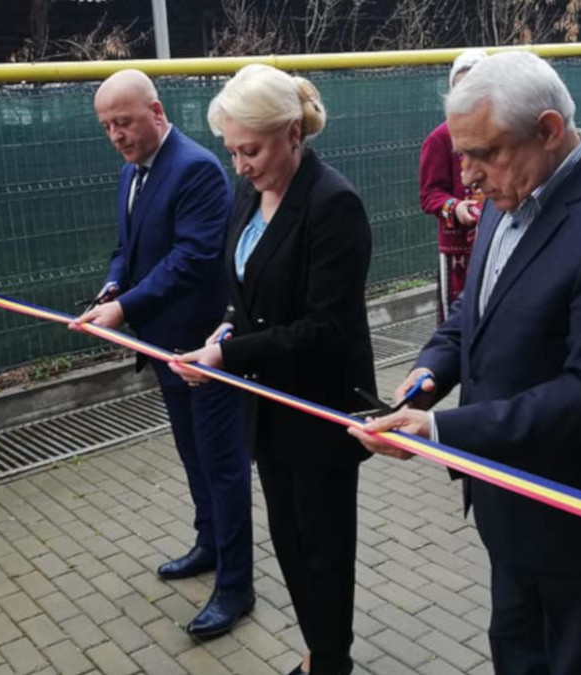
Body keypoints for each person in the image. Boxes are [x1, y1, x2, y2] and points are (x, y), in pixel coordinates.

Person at [350, 52, 581, 675]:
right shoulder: (512, 192)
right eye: (461, 155)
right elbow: (474, 312)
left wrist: (441, 430)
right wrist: (430, 373)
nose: (468, 177)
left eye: (484, 153)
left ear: (548, 130)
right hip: (509, 509)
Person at [173, 64, 374, 675]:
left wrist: (228, 356)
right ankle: (318, 654)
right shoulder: (248, 192)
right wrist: (224, 329)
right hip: (266, 409)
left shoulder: (333, 204)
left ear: (292, 133)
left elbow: (325, 329)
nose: (240, 165)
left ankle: (330, 661)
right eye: (232, 151)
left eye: (251, 150)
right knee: (288, 541)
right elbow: (245, 292)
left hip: (318, 409)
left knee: (323, 549)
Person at [73, 69, 253, 638]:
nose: (116, 136)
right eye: (107, 126)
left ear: (156, 112)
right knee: (193, 454)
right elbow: (126, 249)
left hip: (205, 351)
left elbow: (193, 257)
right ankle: (208, 543)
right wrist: (111, 289)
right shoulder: (133, 172)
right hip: (162, 348)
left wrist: (125, 308)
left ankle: (236, 586)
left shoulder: (195, 167)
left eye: (123, 122)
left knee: (222, 465)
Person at [420, 49, 488, 322]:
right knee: (457, 320)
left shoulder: (504, 132)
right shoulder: (439, 138)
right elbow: (429, 195)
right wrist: (456, 207)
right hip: (459, 251)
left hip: (497, 238)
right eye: (461, 90)